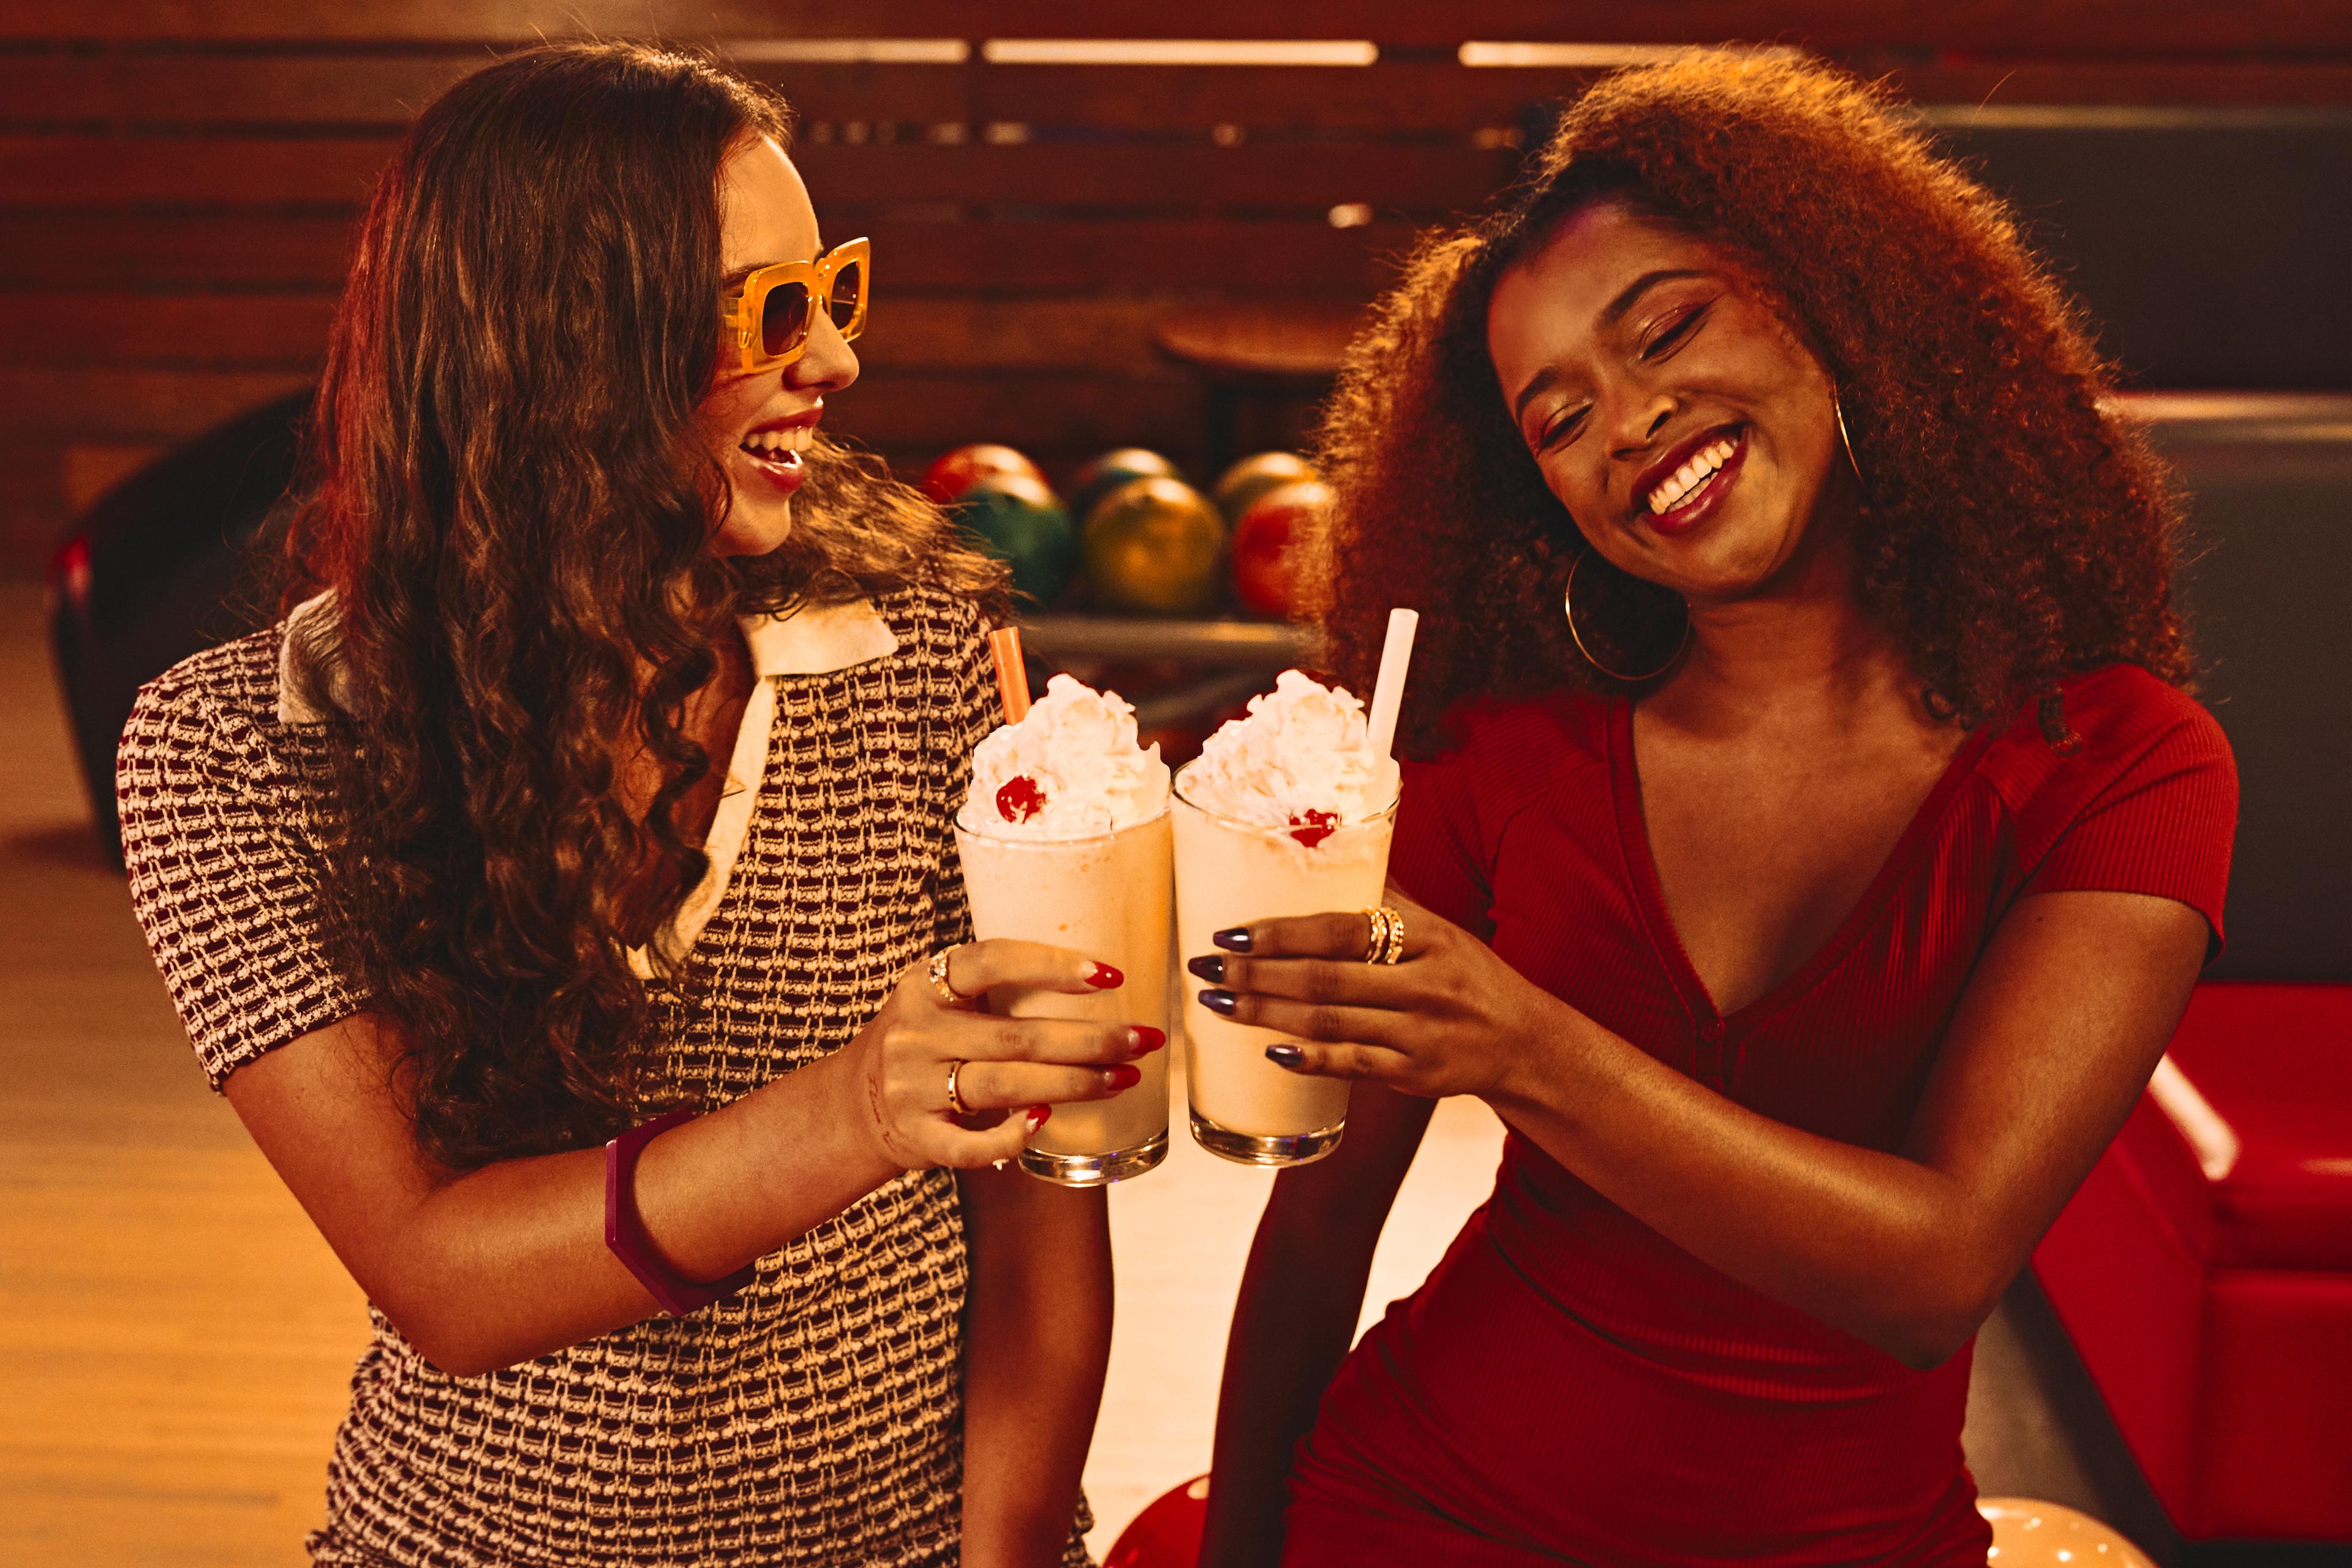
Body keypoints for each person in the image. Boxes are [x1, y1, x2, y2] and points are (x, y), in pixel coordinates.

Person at [116, 42, 1145, 1568]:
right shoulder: (236, 751)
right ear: (565, 347)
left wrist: (1004, 1555)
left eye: (834, 291)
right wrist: (862, 1104)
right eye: (768, 311)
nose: (838, 363)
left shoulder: (924, 644)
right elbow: (444, 1278)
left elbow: (1045, 1215)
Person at [1197, 55, 2235, 1568]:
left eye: (1667, 328)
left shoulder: (2122, 765)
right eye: (1559, 418)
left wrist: (1525, 1043)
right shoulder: (1496, 763)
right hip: (1426, 1502)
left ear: (1830, 303)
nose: (1629, 420)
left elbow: (1936, 1263)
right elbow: (1314, 1237)